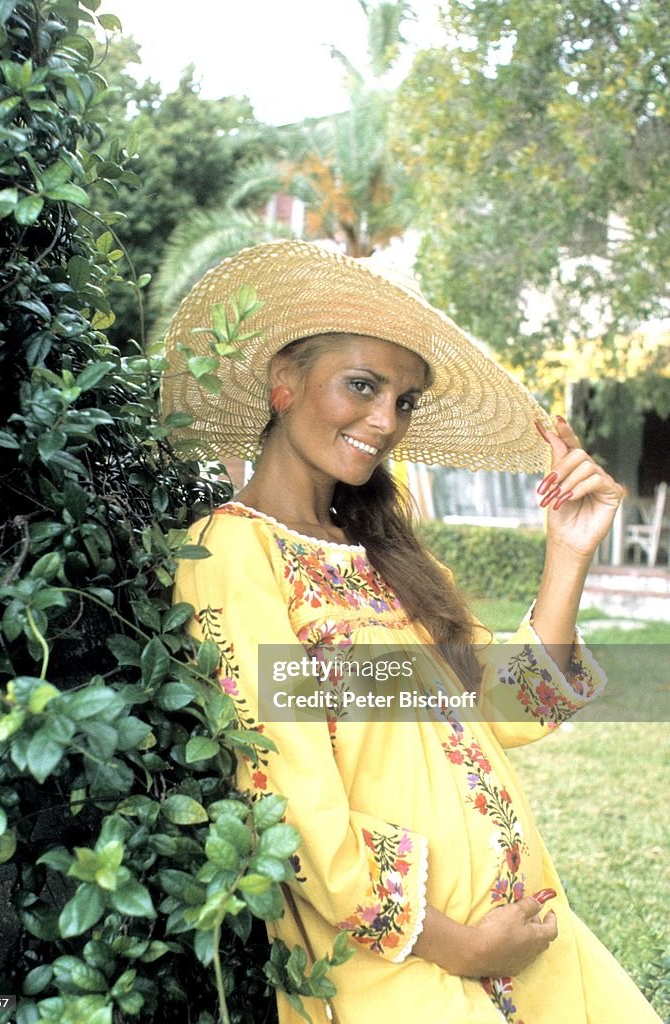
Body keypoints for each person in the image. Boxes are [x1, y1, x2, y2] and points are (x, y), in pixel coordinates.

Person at [163, 240, 661, 1023]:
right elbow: (285, 799)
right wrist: (461, 947)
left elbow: (508, 707)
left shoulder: (385, 556)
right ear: (282, 384)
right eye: (361, 386)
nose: (384, 420)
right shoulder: (232, 550)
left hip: (529, 944)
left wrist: (567, 552)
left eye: (403, 400)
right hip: (396, 970)